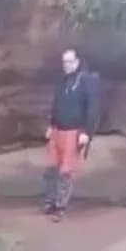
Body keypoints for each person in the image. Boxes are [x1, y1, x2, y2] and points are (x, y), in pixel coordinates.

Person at [42, 49, 100, 221]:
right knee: (51, 168)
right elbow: (56, 104)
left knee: (65, 171)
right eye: (64, 62)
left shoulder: (87, 81)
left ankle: (60, 206)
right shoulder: (62, 80)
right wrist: (51, 125)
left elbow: (92, 108)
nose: (66, 65)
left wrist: (87, 132)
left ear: (77, 62)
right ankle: (49, 201)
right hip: (57, 130)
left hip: (73, 131)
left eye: (69, 61)